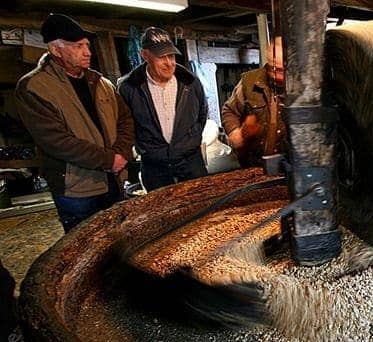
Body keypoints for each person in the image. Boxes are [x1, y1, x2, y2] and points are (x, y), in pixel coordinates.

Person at [15, 14, 133, 233]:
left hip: (113, 180)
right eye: (78, 46)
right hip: (77, 188)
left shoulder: (101, 82)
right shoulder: (34, 87)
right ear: (56, 49)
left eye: (87, 45)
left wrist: (121, 153)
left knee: (119, 239)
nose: (88, 52)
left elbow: (125, 119)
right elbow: (56, 141)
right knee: (83, 247)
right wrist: (108, 159)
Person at [118, 27, 208, 191]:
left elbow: (202, 115)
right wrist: (147, 149)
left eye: (171, 56)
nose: (169, 63)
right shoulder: (129, 87)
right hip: (155, 166)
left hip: (190, 162)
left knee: (199, 207)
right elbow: (126, 124)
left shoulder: (190, 82)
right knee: (161, 212)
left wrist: (190, 141)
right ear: (145, 55)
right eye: (161, 57)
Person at [221, 37, 288, 167]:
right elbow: (229, 110)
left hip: (288, 165)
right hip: (255, 164)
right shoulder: (249, 81)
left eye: (282, 70)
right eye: (274, 68)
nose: (278, 75)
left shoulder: (303, 86)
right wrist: (234, 131)